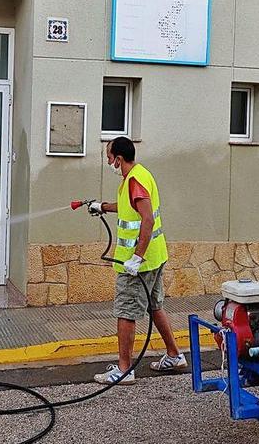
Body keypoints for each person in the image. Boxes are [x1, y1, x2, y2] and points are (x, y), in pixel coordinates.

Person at [88, 136, 187, 385]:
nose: (108, 161)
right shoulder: (139, 175)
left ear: (119, 158)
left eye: (109, 157)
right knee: (155, 306)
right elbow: (129, 208)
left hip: (138, 263)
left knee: (125, 312)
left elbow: (147, 219)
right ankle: (174, 355)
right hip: (154, 256)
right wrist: (102, 206)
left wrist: (136, 257)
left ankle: (123, 369)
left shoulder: (134, 181)